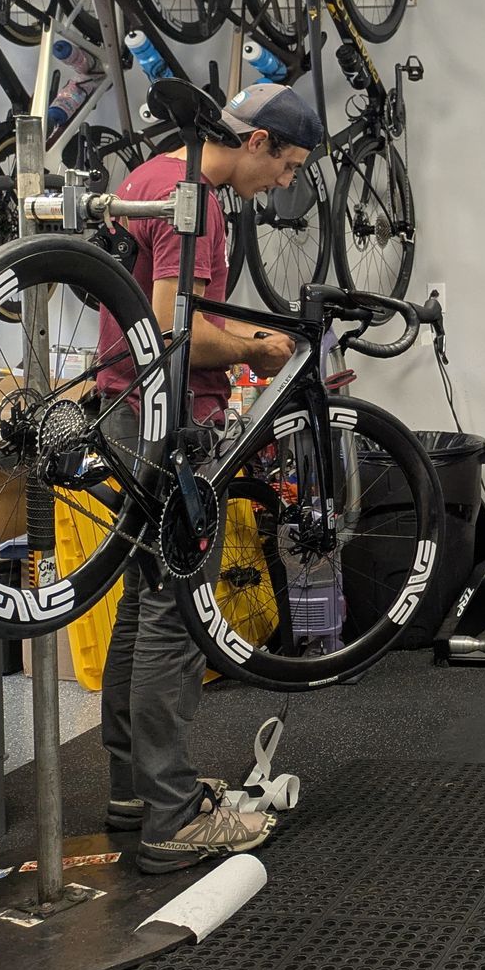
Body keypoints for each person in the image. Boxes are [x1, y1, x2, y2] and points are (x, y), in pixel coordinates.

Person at [92, 82, 325, 874]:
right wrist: (258, 350)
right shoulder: (205, 201)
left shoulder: (153, 175)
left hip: (120, 405)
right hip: (171, 417)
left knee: (138, 598)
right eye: (287, 164)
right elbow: (172, 332)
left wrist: (235, 330)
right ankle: (172, 816)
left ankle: (132, 789)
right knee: (173, 611)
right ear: (256, 142)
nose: (284, 183)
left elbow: (166, 312)